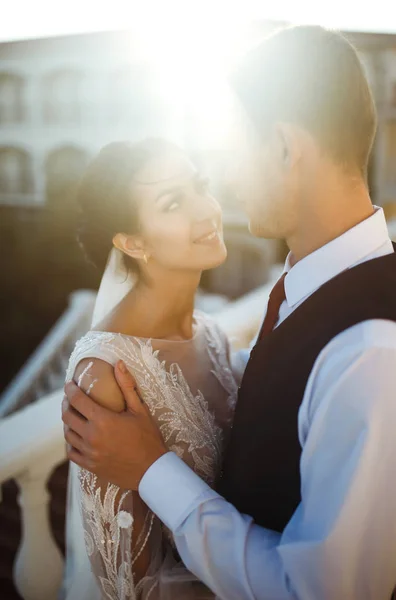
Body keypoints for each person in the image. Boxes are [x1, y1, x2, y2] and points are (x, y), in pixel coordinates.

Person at [63, 25, 396, 599]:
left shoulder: (370, 348)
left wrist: (151, 469)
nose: (227, 186)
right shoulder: (308, 288)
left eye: (234, 152)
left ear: (285, 147)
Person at [62, 138, 239, 600]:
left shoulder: (212, 335)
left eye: (200, 187)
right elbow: (127, 586)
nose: (205, 210)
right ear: (133, 242)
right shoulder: (106, 375)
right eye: (174, 202)